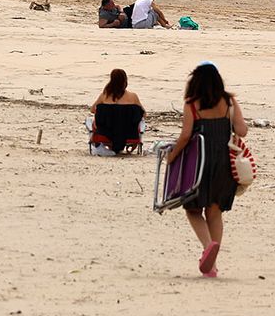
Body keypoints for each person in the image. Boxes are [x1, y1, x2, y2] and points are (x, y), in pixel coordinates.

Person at [164, 62, 248, 277]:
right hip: (224, 163)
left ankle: (207, 246)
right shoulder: (229, 101)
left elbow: (185, 136)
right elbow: (242, 130)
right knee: (215, 210)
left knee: (192, 208)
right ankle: (212, 263)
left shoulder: (192, 104)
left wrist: (172, 156)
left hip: (199, 163)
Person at [87, 68, 144, 155]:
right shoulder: (133, 97)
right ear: (125, 80)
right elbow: (143, 113)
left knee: (93, 119)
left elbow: (92, 110)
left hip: (106, 131)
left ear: (111, 80)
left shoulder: (105, 96)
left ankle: (102, 146)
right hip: (129, 131)